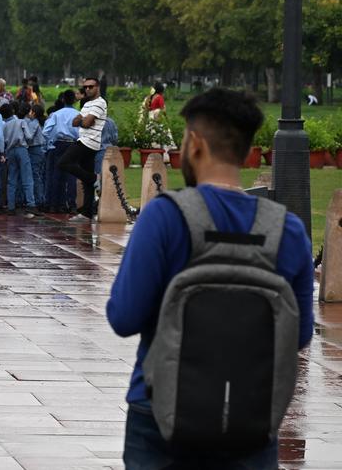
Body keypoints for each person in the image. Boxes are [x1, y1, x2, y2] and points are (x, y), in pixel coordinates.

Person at [106, 88, 314, 468]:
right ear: (248, 149)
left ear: (196, 144)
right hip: (250, 418)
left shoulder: (165, 217)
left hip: (160, 413)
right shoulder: (288, 230)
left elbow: (123, 317)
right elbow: (299, 335)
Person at [60, 77, 106, 222]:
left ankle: (94, 178)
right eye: (85, 87)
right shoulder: (87, 104)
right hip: (85, 140)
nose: (87, 89)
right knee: (87, 182)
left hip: (88, 142)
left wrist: (83, 121)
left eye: (90, 87)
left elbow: (85, 122)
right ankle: (87, 213)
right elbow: (75, 122)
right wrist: (83, 121)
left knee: (63, 163)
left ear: (97, 87)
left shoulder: (100, 103)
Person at [42, 90, 79, 213]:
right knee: (72, 175)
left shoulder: (57, 114)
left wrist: (51, 141)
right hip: (72, 144)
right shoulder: (78, 114)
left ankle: (54, 205)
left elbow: (45, 131)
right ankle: (72, 205)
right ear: (74, 100)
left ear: (63, 100)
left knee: (56, 174)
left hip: (59, 143)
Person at [3, 101, 36, 216]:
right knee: (27, 177)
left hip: (10, 151)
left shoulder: (6, 124)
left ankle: (11, 206)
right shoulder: (22, 122)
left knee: (12, 179)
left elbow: (4, 140)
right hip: (22, 149)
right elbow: (29, 136)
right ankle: (31, 204)